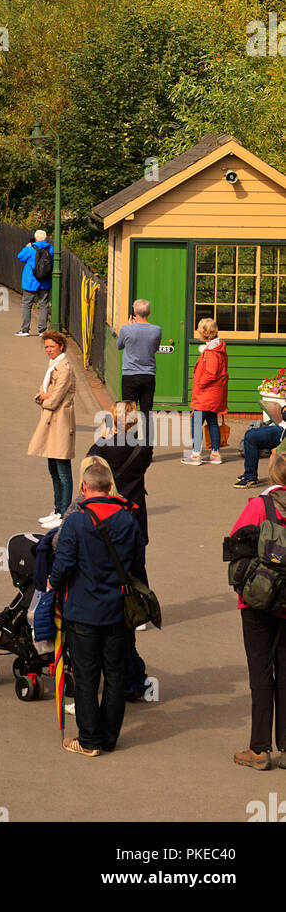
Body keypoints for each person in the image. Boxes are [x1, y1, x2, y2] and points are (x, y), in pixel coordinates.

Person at [48, 461, 147, 755]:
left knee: (87, 676)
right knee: (115, 674)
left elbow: (63, 563)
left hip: (83, 610)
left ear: (83, 488)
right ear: (108, 487)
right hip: (117, 609)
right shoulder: (129, 519)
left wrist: (53, 583)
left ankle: (88, 740)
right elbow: (138, 565)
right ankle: (108, 737)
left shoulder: (77, 521)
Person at [228, 452, 286, 770]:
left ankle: (260, 749)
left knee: (261, 673)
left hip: (259, 601)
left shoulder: (258, 506)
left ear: (273, 476)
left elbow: (236, 548)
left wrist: (244, 588)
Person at [27, 330, 76, 529]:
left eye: (52, 347)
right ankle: (57, 509)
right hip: (52, 423)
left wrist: (43, 397)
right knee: (53, 469)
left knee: (63, 470)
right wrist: (42, 396)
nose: (48, 350)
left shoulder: (64, 369)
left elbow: (53, 399)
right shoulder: (54, 366)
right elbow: (42, 392)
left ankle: (64, 514)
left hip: (61, 424)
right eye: (46, 347)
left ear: (61, 346)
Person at [93, 402, 153, 544]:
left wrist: (102, 438)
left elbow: (89, 463)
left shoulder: (106, 447)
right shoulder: (145, 447)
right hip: (135, 504)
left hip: (111, 505)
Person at [183, 317, 229, 466]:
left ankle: (196, 455)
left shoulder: (211, 352)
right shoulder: (219, 348)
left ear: (203, 333)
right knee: (212, 421)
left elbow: (211, 373)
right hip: (215, 393)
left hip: (206, 394)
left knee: (196, 421)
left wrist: (200, 384)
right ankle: (215, 454)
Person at [116, 300, 162, 446]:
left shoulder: (126, 329)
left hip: (130, 375)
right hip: (148, 375)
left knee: (129, 411)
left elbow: (119, 345)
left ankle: (131, 445)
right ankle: (148, 448)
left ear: (134, 313)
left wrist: (130, 327)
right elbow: (154, 348)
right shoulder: (157, 330)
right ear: (148, 312)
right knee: (147, 412)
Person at [235, 398, 286, 489]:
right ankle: (249, 473)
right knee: (250, 433)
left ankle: (250, 478)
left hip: (283, 434)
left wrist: (284, 411)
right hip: (280, 427)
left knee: (251, 438)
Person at [16, 229, 53, 336]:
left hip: (31, 281)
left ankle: (25, 330)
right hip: (45, 281)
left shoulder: (30, 249)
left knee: (27, 304)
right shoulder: (50, 249)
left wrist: (27, 246)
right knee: (44, 305)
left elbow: (20, 257)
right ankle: (42, 330)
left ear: (36, 238)